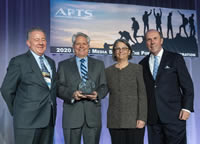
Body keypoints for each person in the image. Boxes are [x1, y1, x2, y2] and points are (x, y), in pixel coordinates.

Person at [0, 27, 57, 144]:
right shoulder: (19, 61)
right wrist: (18, 110)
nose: (41, 43)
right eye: (36, 40)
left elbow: (50, 90)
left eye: (43, 39)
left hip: (48, 121)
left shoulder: (51, 62)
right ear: (28, 43)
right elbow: (6, 89)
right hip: (27, 122)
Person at [139, 29, 194, 144]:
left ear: (161, 40)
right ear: (146, 43)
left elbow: (187, 86)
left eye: (155, 38)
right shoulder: (142, 64)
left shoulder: (175, 58)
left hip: (175, 116)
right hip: (153, 119)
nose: (152, 42)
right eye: (149, 39)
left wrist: (186, 108)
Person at [57, 32, 107, 144]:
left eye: (84, 43)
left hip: (92, 116)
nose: (81, 46)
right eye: (78, 44)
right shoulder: (63, 65)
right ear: (73, 46)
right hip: (72, 115)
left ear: (88, 46)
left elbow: (104, 86)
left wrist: (97, 94)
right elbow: (59, 87)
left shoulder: (99, 64)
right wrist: (72, 94)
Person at [106, 39, 147, 144]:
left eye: (124, 48)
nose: (121, 51)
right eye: (117, 48)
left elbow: (142, 95)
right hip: (115, 121)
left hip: (134, 121)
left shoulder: (137, 69)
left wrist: (142, 118)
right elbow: (103, 90)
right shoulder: (108, 71)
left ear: (129, 51)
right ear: (114, 52)